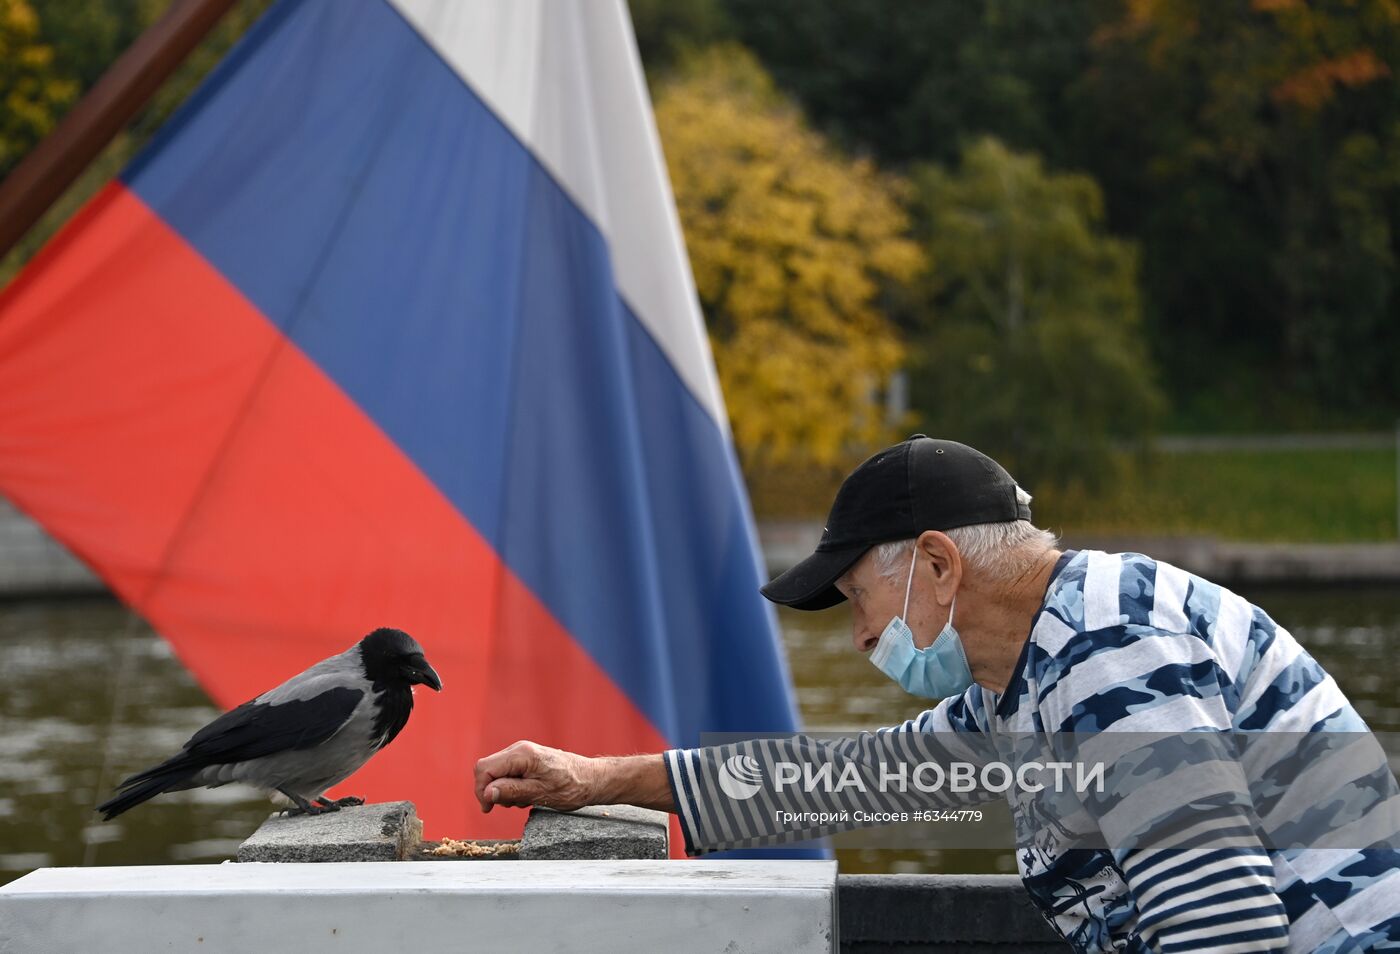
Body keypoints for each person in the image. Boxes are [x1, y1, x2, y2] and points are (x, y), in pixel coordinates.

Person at [474, 435, 1400, 952]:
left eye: (856, 600)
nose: (860, 636)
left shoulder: (1110, 655)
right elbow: (842, 781)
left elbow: (1221, 934)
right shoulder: (1032, 670)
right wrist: (596, 779)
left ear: (937, 564)